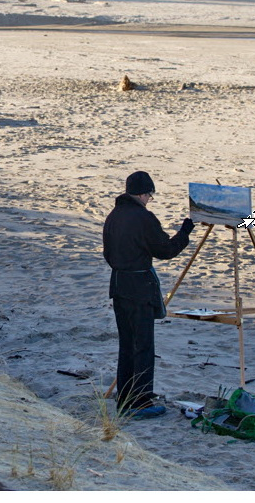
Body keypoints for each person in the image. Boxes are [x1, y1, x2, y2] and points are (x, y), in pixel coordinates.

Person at [102, 171, 194, 418]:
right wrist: (185, 232)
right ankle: (140, 401)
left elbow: (107, 254)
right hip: (139, 286)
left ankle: (125, 398)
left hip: (119, 285)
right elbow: (165, 250)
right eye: (150, 196)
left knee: (126, 345)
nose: (149, 200)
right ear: (143, 194)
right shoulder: (143, 217)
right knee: (142, 345)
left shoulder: (114, 215)